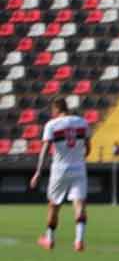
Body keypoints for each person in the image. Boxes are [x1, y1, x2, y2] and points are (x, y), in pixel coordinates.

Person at [29, 98, 90, 252]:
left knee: (54, 205)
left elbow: (44, 150)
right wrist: (80, 158)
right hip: (78, 167)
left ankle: (49, 239)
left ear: (56, 109)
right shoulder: (82, 122)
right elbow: (88, 147)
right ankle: (79, 241)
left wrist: (38, 172)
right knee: (79, 203)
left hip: (59, 169)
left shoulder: (52, 125)